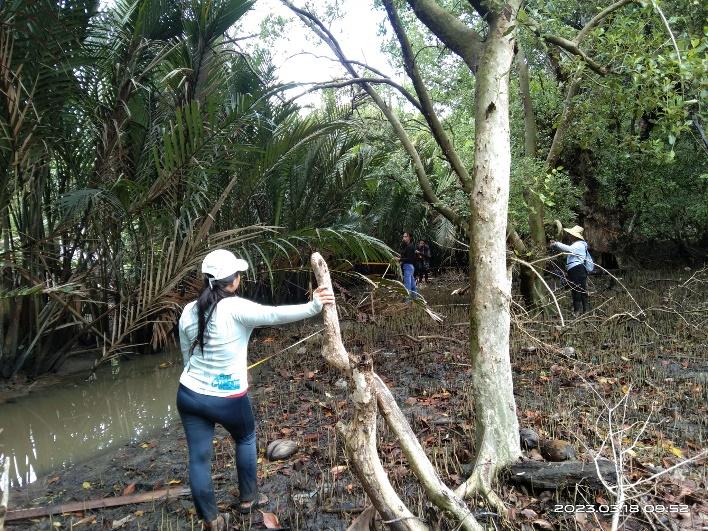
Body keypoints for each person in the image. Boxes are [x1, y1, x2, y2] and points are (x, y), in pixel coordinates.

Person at [177, 249, 334, 529]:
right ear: (234, 280)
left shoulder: (188, 310)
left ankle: (211, 520)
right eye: (238, 274)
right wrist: (314, 306)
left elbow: (186, 358)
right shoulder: (235, 307)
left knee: (198, 459)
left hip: (189, 394)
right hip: (227, 399)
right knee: (246, 438)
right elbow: (273, 315)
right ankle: (249, 500)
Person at [549, 225, 591, 315]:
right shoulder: (578, 245)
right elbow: (567, 251)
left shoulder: (578, 244)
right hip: (577, 269)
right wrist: (556, 246)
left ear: (575, 236)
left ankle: (577, 312)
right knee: (581, 290)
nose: (570, 236)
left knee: (577, 290)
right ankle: (584, 311)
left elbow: (569, 249)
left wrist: (556, 244)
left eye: (571, 234)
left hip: (577, 269)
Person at [397, 231, 417, 299]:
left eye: (406, 236)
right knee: (412, 285)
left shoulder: (410, 246)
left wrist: (399, 259)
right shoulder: (407, 246)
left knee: (407, 285)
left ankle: (407, 301)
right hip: (409, 267)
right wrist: (400, 257)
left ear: (410, 238)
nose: (404, 238)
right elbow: (406, 256)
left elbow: (409, 259)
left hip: (408, 266)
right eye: (403, 236)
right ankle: (415, 298)